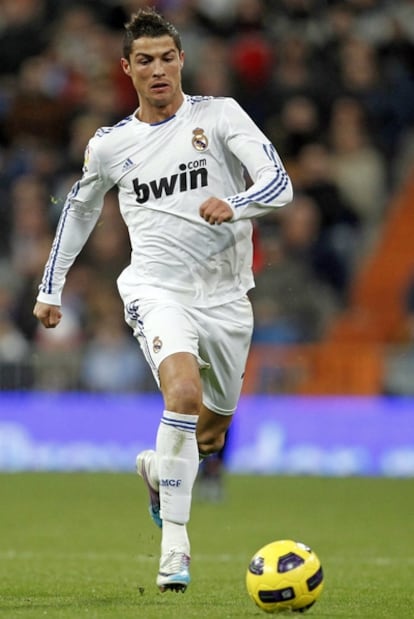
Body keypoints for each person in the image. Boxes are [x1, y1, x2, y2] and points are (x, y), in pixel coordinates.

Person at [33, 7, 293, 593]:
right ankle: (175, 551)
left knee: (210, 433)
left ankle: (157, 468)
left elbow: (280, 182)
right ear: (127, 68)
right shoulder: (111, 145)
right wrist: (51, 287)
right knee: (182, 393)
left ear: (182, 61)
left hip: (227, 297)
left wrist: (239, 203)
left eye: (167, 58)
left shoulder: (220, 116)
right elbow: (78, 210)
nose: (158, 70)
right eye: (144, 61)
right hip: (156, 289)